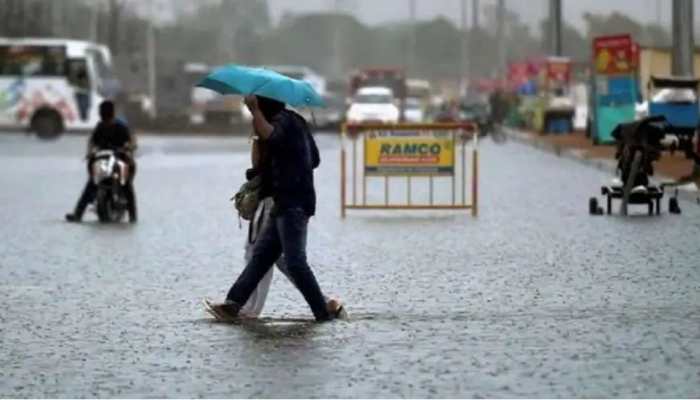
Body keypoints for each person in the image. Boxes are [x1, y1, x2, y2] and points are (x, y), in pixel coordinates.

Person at [207, 95, 343, 322]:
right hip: (284, 203)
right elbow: (315, 159)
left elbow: (273, 137)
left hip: (293, 203)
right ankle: (233, 305)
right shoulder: (296, 121)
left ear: (263, 105)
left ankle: (322, 311)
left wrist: (255, 113)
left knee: (295, 262)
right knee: (260, 257)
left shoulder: (283, 122)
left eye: (256, 105)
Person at [237, 135, 345, 319]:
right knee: (277, 257)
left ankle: (250, 309)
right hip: (284, 198)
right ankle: (325, 302)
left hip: (274, 199)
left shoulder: (272, 126)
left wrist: (256, 140)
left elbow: (259, 164)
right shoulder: (289, 127)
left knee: (258, 252)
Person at [65, 100, 138, 223]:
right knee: (92, 183)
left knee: (126, 184)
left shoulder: (120, 127)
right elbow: (92, 142)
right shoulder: (100, 127)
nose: (104, 114)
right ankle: (77, 214)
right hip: (102, 161)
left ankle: (133, 216)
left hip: (118, 159)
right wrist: (90, 152)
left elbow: (131, 141)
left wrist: (128, 148)